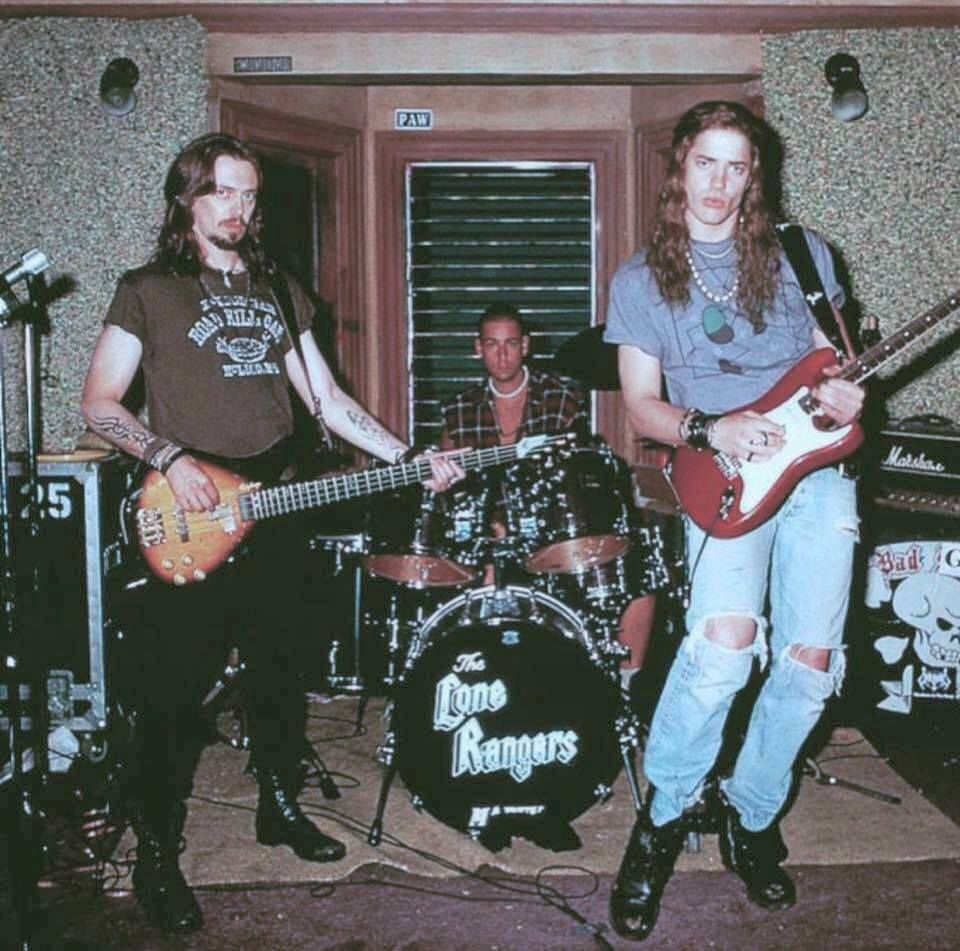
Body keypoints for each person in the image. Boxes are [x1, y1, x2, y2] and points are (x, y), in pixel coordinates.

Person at [81, 132, 461, 934]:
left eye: (250, 195)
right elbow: (101, 403)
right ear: (187, 198)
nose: (239, 209)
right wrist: (168, 453)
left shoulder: (279, 289)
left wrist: (408, 456)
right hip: (190, 509)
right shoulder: (146, 289)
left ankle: (279, 805)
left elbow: (327, 401)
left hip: (278, 506)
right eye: (223, 192)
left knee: (280, 670)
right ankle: (157, 848)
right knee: (173, 691)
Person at [603, 101, 865, 941]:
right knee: (719, 649)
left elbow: (839, 361)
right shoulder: (642, 280)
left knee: (810, 661)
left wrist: (848, 392)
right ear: (679, 169)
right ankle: (663, 822)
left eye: (737, 166)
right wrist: (710, 426)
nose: (719, 183)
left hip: (816, 471)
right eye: (705, 163)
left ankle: (752, 815)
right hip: (719, 471)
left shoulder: (801, 253)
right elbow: (642, 407)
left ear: (756, 177)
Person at [440, 304, 658, 687]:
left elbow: (574, 471)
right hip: (488, 535)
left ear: (526, 345)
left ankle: (626, 687)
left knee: (634, 580)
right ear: (478, 348)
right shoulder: (458, 409)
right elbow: (451, 486)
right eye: (492, 344)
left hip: (551, 527)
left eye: (511, 343)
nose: (502, 354)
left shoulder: (561, 395)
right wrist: (489, 527)